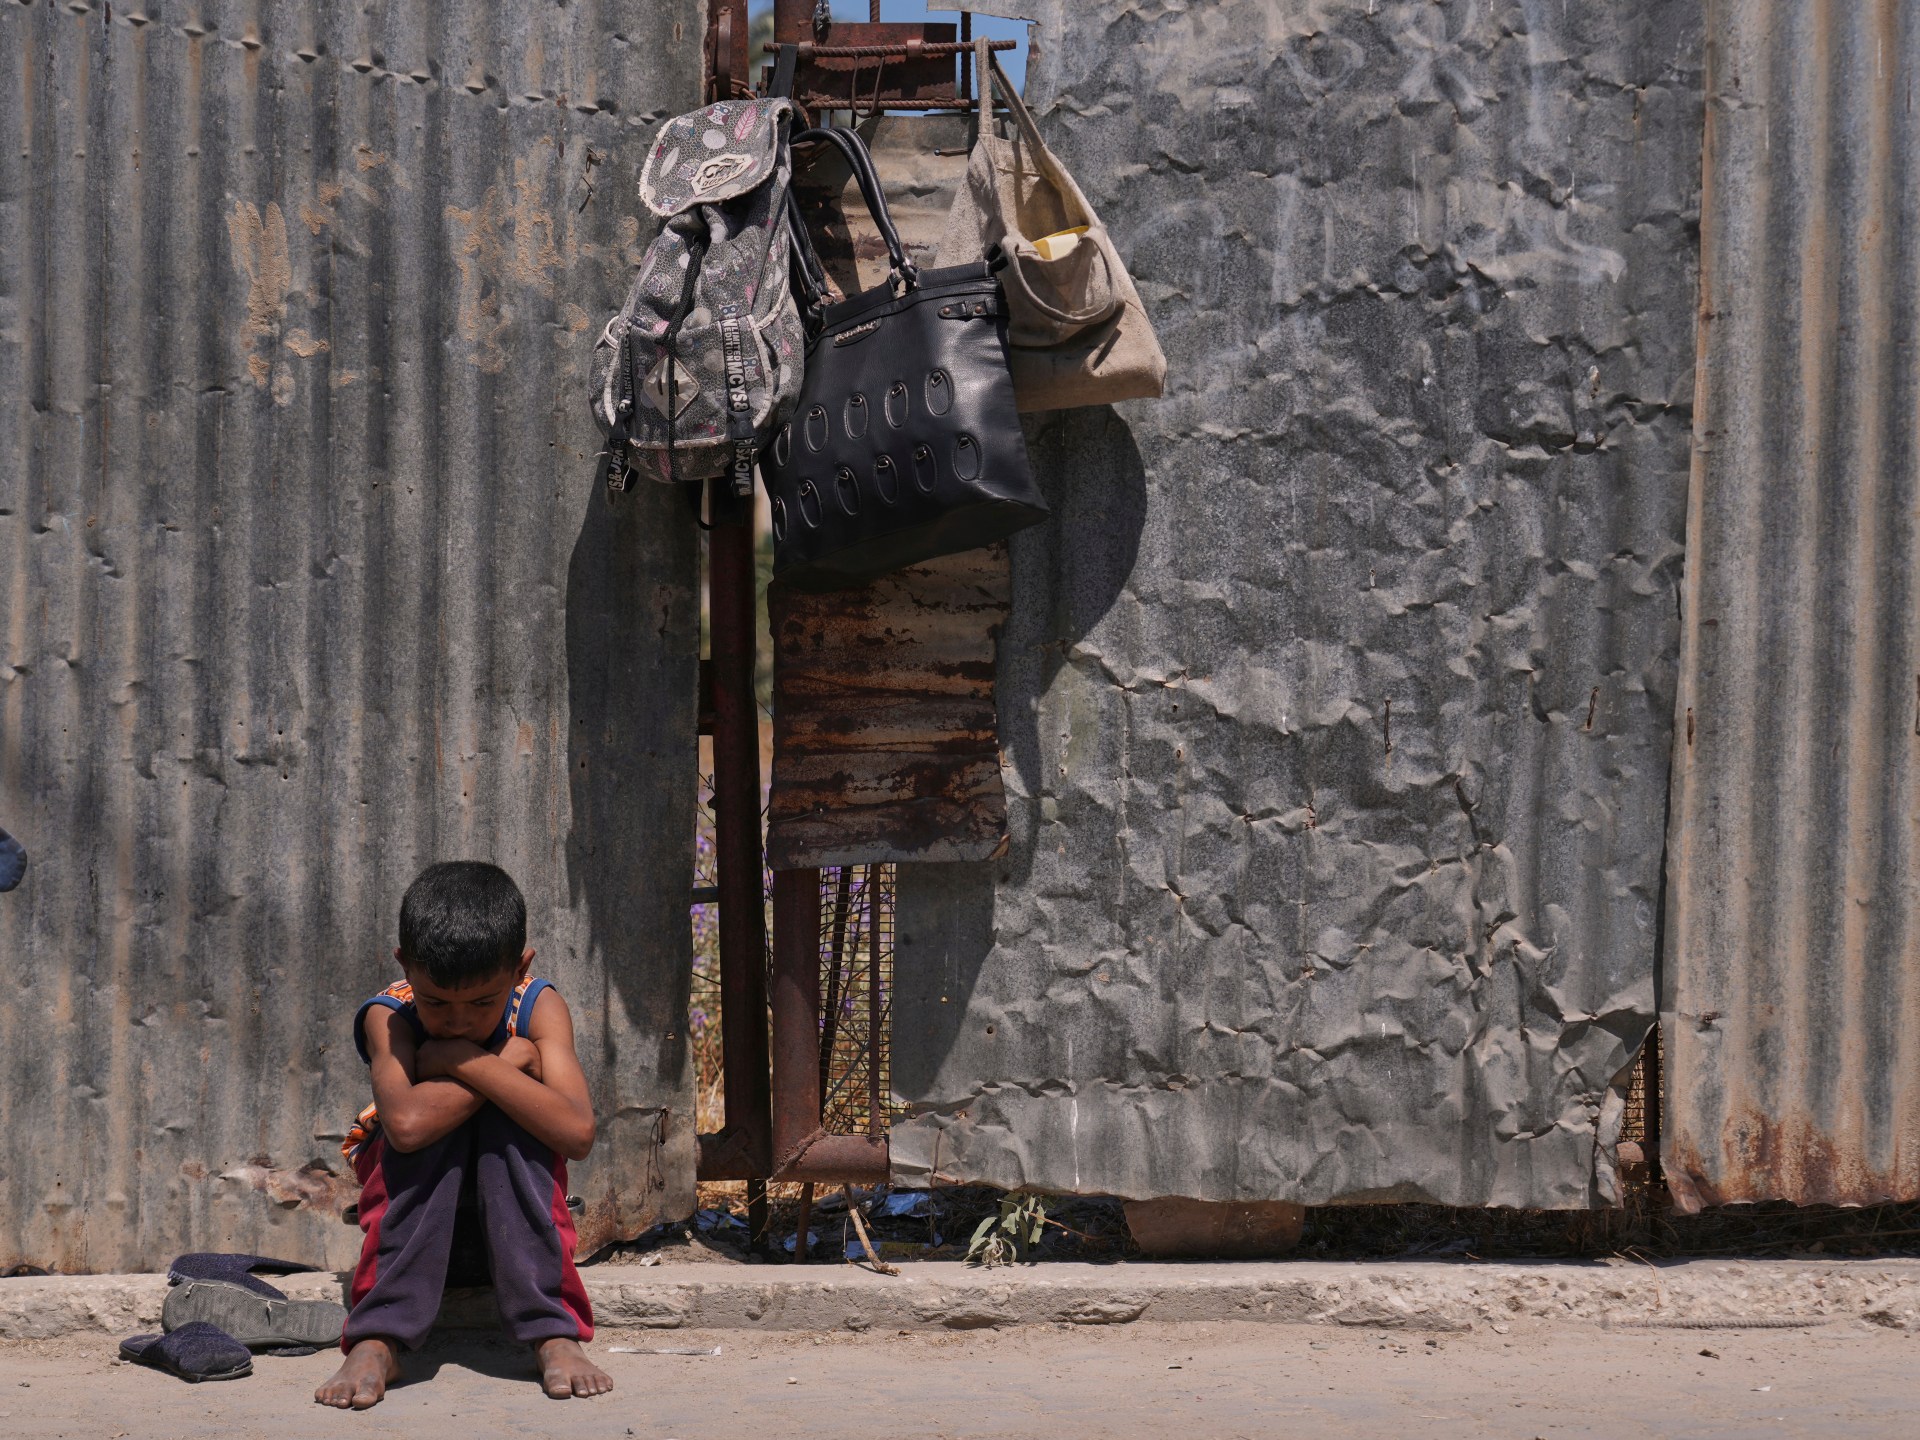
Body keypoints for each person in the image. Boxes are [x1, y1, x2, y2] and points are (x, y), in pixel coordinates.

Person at [315, 861, 611, 1409]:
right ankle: (379, 1335)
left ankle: (552, 1330)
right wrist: (507, 1062)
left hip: (513, 1223)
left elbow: (576, 1131)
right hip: (414, 1217)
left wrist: (460, 1062)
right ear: (405, 965)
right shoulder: (392, 1014)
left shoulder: (538, 1004)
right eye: (437, 1004)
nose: (457, 1022)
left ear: (520, 967)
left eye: (481, 1004)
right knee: (443, 1124)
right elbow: (404, 1127)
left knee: (508, 1119)